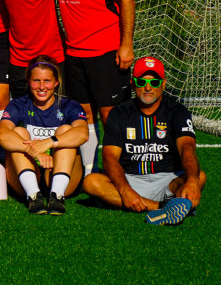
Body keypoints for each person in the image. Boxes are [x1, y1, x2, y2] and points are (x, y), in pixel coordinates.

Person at [41, 0, 136, 175]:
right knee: (83, 117)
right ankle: (89, 171)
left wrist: (126, 44)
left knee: (110, 116)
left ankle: (126, 171)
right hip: (74, 53)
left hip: (106, 50)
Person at [83, 57, 205, 225]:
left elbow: (187, 148)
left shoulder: (178, 111)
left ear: (163, 83)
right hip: (130, 179)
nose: (148, 87)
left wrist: (191, 179)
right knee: (91, 182)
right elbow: (109, 157)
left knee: (199, 177)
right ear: (133, 84)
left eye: (154, 82)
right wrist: (125, 188)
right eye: (142, 82)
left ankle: (130, 202)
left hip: (167, 180)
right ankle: (162, 207)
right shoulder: (119, 113)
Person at [0, 57, 87, 215]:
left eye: (47, 81)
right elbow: (3, 134)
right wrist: (36, 151)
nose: (41, 87)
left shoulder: (69, 105)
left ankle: (57, 196)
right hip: (28, 173)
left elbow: (82, 133)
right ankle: (33, 195)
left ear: (56, 82)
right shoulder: (19, 104)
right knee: (18, 132)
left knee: (66, 130)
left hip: (60, 174)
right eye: (36, 81)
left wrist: (49, 142)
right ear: (28, 81)